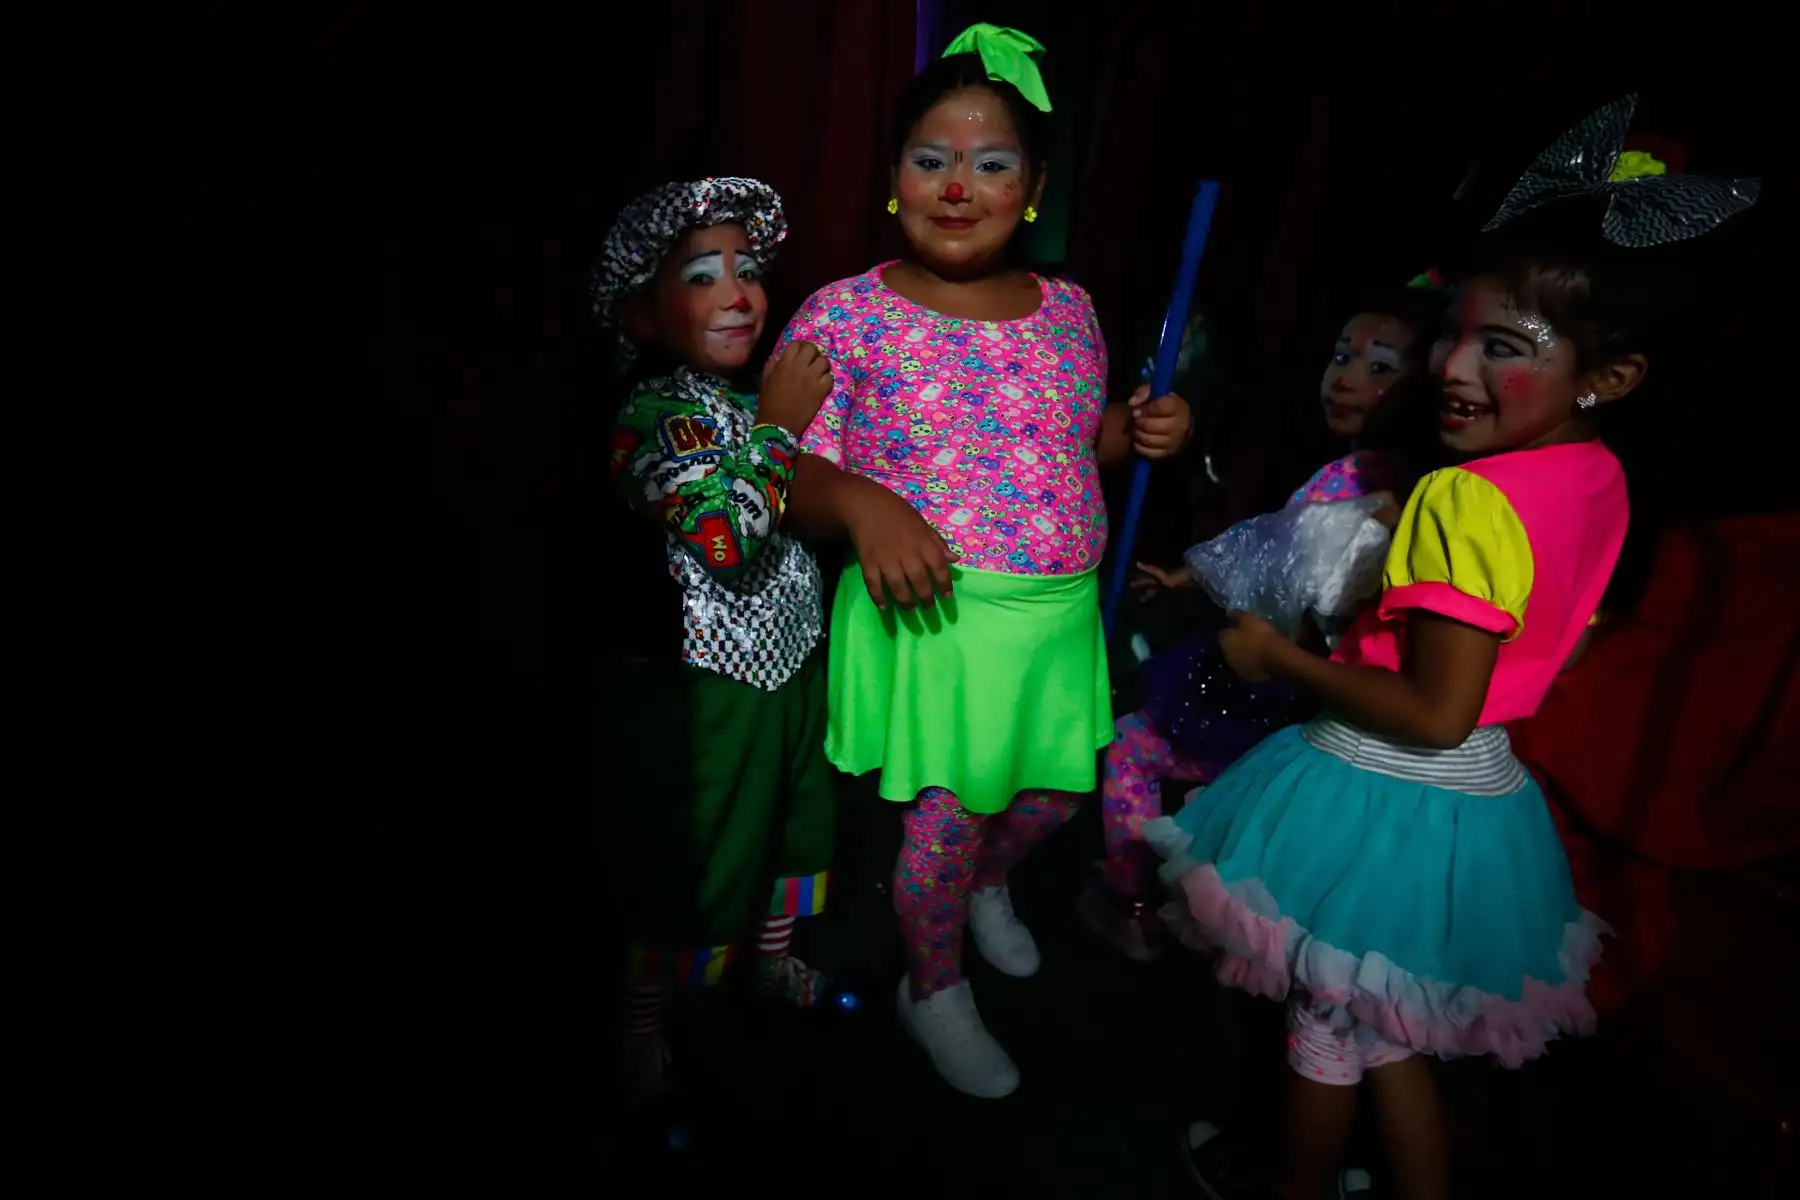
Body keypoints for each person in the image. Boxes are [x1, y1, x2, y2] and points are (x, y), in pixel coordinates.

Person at [1147, 96, 1759, 1199]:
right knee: (1390, 1035)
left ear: (1607, 376)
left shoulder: (1461, 500)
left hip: (1385, 793)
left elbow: (1436, 709)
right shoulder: (1597, 475)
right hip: (1476, 802)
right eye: (1455, 334)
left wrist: (1275, 659)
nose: (1453, 367)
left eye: (1506, 347)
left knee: (1327, 1037)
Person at [775, 24, 1194, 1098]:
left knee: (1055, 793)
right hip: (941, 622)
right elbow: (781, 475)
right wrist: (865, 504)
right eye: (931, 159)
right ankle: (933, 988)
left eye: (991, 163)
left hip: (1056, 618)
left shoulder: (1072, 310)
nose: (958, 186)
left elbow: (1070, 438)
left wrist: (1137, 431)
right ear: (894, 182)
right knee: (944, 820)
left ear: (1034, 188)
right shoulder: (846, 314)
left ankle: (984, 887)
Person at [1086, 285, 1448, 963]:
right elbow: (1280, 542)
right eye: (1341, 357)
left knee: (1136, 748)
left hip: (1287, 692)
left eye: (1381, 366)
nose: (1346, 378)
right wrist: (1192, 576)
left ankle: (1134, 902)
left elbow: (1310, 585)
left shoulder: (1373, 487)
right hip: (1299, 689)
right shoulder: (1381, 475)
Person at [593, 177, 838, 1109]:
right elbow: (725, 535)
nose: (739, 292)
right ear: (642, 314)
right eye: (703, 275)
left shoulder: (737, 394)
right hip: (705, 686)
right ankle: (641, 1030)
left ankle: (769, 968)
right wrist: (778, 423)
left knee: (789, 825)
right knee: (685, 862)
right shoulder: (651, 412)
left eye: (747, 269)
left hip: (787, 666)